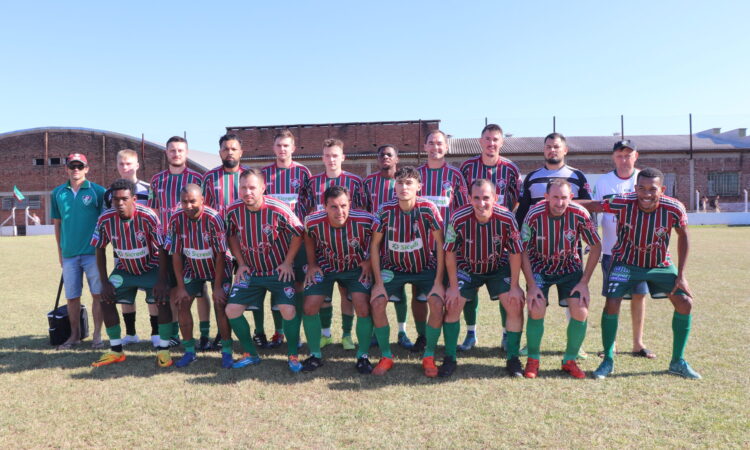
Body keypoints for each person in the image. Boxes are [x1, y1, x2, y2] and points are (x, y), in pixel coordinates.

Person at [587, 168, 700, 379]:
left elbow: (683, 236)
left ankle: (678, 361)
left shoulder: (674, 207)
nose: (646, 194)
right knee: (612, 302)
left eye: (652, 189)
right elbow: (593, 205)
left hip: (659, 264)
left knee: (685, 302)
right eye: (641, 188)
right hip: (625, 262)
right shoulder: (622, 202)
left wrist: (681, 275)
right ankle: (608, 360)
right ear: (635, 187)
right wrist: (562, 203)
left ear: (662, 189)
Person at [515, 132, 592, 359]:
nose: (552, 150)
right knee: (537, 300)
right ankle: (531, 346)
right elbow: (523, 209)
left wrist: (588, 238)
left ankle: (576, 346)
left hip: (569, 248)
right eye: (548, 147)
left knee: (575, 300)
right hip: (538, 251)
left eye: (557, 147)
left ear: (565, 150)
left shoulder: (577, 176)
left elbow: (588, 207)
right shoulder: (532, 177)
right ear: (544, 150)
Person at [225, 169, 305, 372]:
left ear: (263, 188)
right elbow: (231, 235)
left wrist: (288, 262)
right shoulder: (233, 210)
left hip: (277, 271)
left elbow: (298, 233)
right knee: (231, 310)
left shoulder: (278, 208)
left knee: (288, 309)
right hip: (251, 272)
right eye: (243, 187)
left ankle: (293, 354)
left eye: (252, 187)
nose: (247, 192)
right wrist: (241, 263)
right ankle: (250, 353)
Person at [443, 179, 525, 377]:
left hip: (497, 267)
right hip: (468, 267)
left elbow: (515, 253)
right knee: (453, 303)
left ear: (495, 198)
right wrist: (453, 286)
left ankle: (513, 358)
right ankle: (449, 358)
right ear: (469, 198)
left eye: (486, 198)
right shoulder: (458, 218)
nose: (481, 203)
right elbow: (450, 253)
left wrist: (515, 285)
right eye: (476, 198)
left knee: (514, 303)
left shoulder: (507, 217)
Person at [521, 179, 602, 379]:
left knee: (580, 310)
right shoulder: (534, 215)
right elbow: (521, 249)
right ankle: (533, 359)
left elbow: (596, 246)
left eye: (564, 198)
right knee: (536, 306)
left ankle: (570, 360)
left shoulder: (580, 214)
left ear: (571, 198)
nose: (559, 203)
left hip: (569, 268)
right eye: (555, 197)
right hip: (540, 267)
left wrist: (584, 283)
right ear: (546, 197)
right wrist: (531, 285)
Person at [369, 167, 445, 377]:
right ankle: (386, 356)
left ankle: (429, 355)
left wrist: (439, 282)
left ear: (418, 186)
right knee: (376, 302)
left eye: (409, 183)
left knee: (437, 303)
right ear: (395, 185)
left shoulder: (428, 208)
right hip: (393, 268)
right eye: (400, 183)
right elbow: (374, 245)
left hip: (424, 267)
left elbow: (440, 244)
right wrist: (378, 282)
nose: (404, 187)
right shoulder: (384, 210)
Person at [90, 179, 173, 367]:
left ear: (134, 199)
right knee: (105, 299)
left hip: (151, 267)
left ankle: (164, 350)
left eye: (124, 199)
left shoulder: (148, 216)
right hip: (124, 269)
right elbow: (99, 249)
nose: (119, 203)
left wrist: (162, 280)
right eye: (115, 200)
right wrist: (104, 282)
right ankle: (116, 351)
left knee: (162, 300)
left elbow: (162, 247)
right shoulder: (105, 219)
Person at [301, 185, 376, 373]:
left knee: (362, 305)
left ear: (349, 204)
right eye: (333, 207)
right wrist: (312, 264)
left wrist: (368, 260)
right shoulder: (312, 221)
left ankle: (363, 356)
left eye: (343, 205)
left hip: (355, 267)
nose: (339, 211)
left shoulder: (365, 220)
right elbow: (308, 238)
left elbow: (379, 240)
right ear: (324, 206)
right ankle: (315, 355)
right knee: (310, 306)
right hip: (326, 267)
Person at [459, 123, 521, 352]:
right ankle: (470, 333)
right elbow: (461, 198)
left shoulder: (511, 168)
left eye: (495, 139)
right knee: (468, 289)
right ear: (480, 141)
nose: (491, 143)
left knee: (505, 289)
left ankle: (506, 334)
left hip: (500, 237)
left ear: (501, 142)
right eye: (487, 139)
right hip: (471, 235)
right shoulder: (467, 167)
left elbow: (515, 200)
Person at [300, 139, 367, 350]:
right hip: (324, 251)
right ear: (322, 158)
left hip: (351, 249)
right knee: (323, 296)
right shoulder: (312, 182)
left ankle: (347, 335)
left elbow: (363, 214)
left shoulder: (355, 181)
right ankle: (325, 334)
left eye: (335, 155)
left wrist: (364, 256)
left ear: (343, 157)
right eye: (327, 155)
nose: (331, 159)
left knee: (348, 294)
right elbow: (308, 214)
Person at [592, 140, 654, 359]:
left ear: (636, 156)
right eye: (620, 155)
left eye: (628, 155)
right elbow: (595, 210)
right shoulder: (604, 182)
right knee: (613, 297)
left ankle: (638, 344)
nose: (624, 159)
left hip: (640, 252)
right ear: (613, 157)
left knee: (639, 295)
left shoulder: (645, 179)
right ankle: (611, 344)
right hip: (612, 251)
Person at [165, 185, 234, 368]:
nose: (188, 206)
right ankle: (189, 351)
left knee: (221, 303)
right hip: (193, 268)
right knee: (182, 302)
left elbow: (220, 254)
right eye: (184, 202)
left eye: (193, 201)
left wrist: (218, 286)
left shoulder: (214, 218)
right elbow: (176, 254)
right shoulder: (176, 219)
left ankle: (226, 350)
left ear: (202, 200)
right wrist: (180, 287)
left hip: (218, 267)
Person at [149, 136, 204, 349]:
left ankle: (205, 333)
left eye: (180, 150)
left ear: (186, 152)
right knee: (171, 290)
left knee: (198, 292)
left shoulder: (198, 178)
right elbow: (153, 211)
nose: (176, 154)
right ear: (166, 153)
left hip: (192, 243)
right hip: (166, 244)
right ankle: (172, 333)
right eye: (172, 150)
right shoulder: (157, 180)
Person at [416, 130, 468, 353]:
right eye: (431, 143)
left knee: (450, 295)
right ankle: (422, 336)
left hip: (449, 248)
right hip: (421, 247)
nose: (435, 147)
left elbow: (464, 209)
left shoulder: (455, 176)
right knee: (421, 296)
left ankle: (449, 338)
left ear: (446, 148)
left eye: (440, 144)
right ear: (425, 147)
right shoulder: (415, 175)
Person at [260, 129, 311, 349]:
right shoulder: (263, 174)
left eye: (286, 146)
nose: (282, 149)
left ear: (293, 148)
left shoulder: (303, 173)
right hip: (272, 240)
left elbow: (308, 204)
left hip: (296, 239)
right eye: (279, 145)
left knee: (298, 285)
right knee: (276, 282)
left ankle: (295, 332)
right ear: (274, 148)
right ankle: (278, 332)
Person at [50, 153, 105, 349]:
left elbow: (104, 223)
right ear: (66, 168)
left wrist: (101, 250)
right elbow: (57, 225)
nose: (76, 170)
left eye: (79, 166)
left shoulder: (98, 191)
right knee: (72, 297)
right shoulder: (57, 193)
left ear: (87, 169)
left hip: (92, 254)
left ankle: (97, 336)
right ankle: (74, 336)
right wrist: (60, 253)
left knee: (97, 294)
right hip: (69, 255)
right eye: (72, 166)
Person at [364, 145, 415, 349]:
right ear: (377, 159)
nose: (385, 157)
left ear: (397, 159)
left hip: (402, 242)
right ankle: (377, 331)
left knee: (400, 291)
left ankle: (402, 331)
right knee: (377, 287)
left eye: (389, 155)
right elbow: (363, 210)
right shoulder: (368, 182)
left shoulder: (403, 181)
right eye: (381, 155)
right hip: (377, 241)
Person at [202, 133, 250, 350]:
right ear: (219, 152)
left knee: (248, 288)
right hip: (218, 244)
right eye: (225, 149)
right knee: (219, 288)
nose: (229, 152)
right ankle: (223, 335)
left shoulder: (248, 178)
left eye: (233, 149)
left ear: (241, 152)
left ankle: (258, 333)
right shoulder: (209, 177)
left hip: (246, 243)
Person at [103, 149, 154, 347]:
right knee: (125, 293)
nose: (125, 167)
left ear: (137, 165)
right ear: (117, 166)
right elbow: (106, 222)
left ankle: (156, 333)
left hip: (147, 251)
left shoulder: (149, 189)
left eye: (129, 163)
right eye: (121, 164)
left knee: (151, 294)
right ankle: (131, 333)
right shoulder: (109, 193)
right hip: (122, 252)